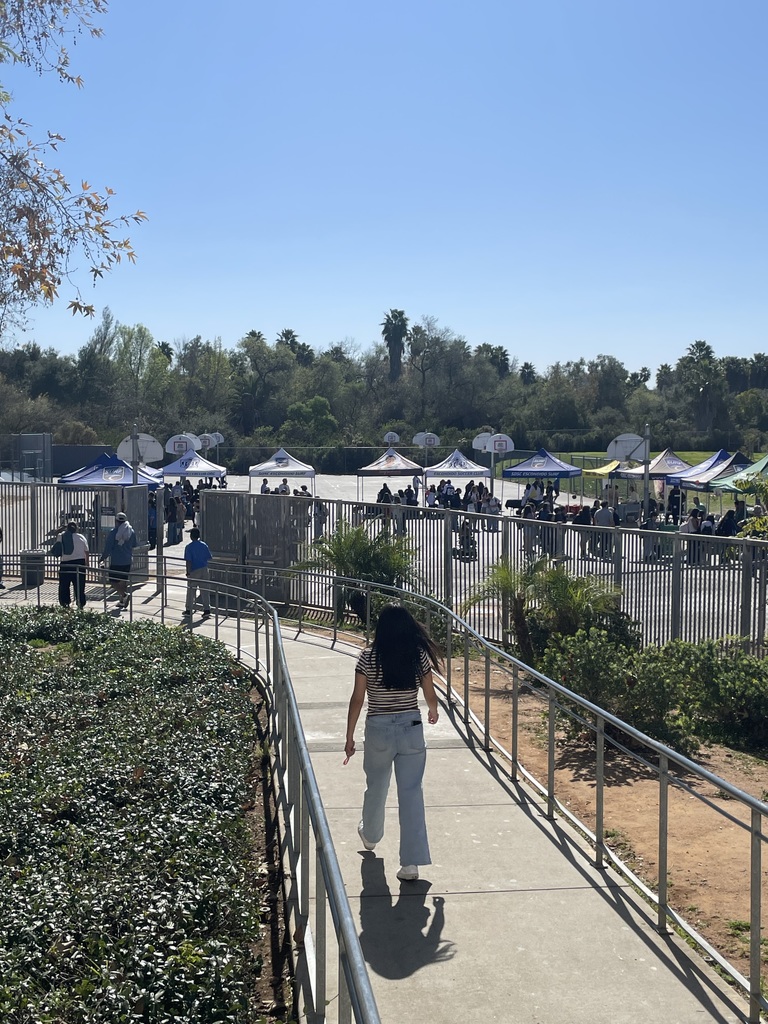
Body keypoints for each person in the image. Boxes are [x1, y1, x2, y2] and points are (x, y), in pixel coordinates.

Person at [345, 605, 441, 882]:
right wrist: (433, 711)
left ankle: (371, 835)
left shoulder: (367, 658)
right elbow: (429, 693)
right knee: (411, 793)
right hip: (411, 728)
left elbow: (357, 699)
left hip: (378, 728)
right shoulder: (417, 656)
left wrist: (349, 735)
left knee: (376, 785)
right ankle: (410, 864)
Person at [100, 512, 138, 609]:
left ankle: (124, 595)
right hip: (127, 560)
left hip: (117, 561)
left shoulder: (114, 533)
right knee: (123, 581)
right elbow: (134, 544)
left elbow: (108, 547)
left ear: (116, 521)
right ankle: (122, 601)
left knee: (113, 581)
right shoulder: (131, 531)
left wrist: (102, 557)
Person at [56, 520, 90, 608]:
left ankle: (65, 602)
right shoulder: (81, 537)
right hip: (80, 563)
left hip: (66, 563)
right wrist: (87, 564)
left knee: (64, 585)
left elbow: (57, 548)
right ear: (77, 529)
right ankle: (80, 603)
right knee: (80, 585)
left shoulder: (62, 536)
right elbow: (86, 551)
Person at [183, 527, 212, 619]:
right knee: (205, 590)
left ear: (191, 536)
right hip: (204, 569)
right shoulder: (204, 545)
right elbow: (208, 557)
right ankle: (207, 609)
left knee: (191, 591)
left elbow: (188, 561)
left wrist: (188, 572)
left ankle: (189, 609)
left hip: (194, 570)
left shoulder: (189, 547)